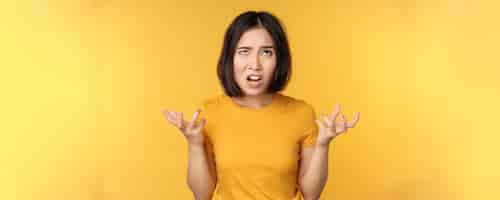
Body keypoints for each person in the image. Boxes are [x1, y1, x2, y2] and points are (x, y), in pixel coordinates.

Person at [162, 10, 360, 200]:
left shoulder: (302, 112)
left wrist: (323, 144)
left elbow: (311, 195)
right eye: (244, 51)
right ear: (230, 59)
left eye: (266, 52)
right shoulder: (210, 112)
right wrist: (195, 145)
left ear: (279, 59)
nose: (255, 64)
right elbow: (201, 195)